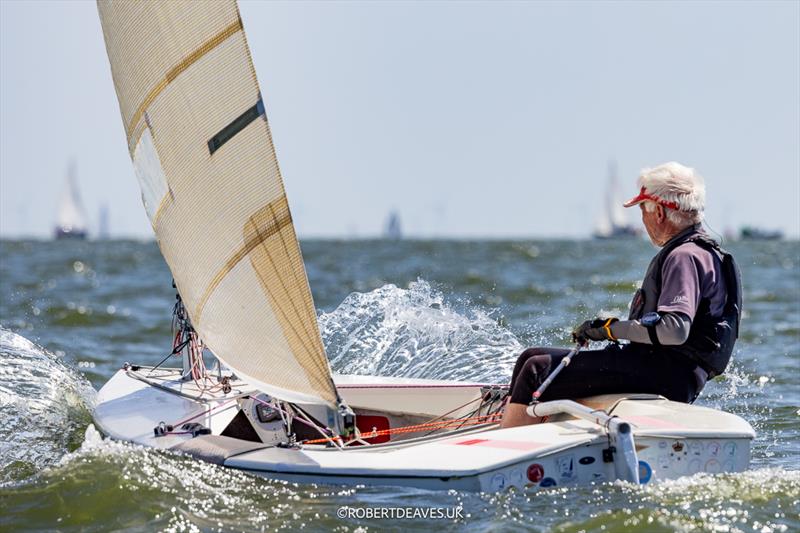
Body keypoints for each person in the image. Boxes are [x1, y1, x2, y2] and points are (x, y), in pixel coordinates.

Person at [500, 162, 742, 428]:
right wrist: (608, 329)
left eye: (642, 209)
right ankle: (518, 426)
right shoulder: (702, 252)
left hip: (666, 376)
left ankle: (507, 444)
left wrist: (609, 330)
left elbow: (674, 330)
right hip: (669, 371)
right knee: (530, 356)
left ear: (659, 212)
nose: (642, 219)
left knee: (536, 369)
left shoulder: (683, 256)